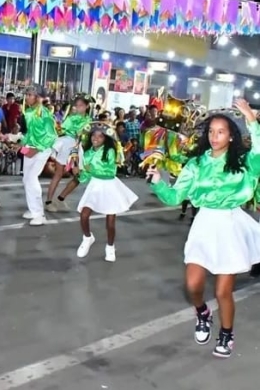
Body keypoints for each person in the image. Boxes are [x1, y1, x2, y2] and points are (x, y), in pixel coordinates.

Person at [147, 99, 260, 359]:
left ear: (231, 136)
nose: (214, 136)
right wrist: (158, 182)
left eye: (221, 132)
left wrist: (251, 120)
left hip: (230, 226)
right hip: (204, 225)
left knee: (222, 291)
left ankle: (227, 333)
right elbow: (175, 197)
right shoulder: (196, 164)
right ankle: (202, 313)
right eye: (211, 131)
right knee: (193, 285)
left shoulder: (245, 163)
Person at [74, 123, 138, 262]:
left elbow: (110, 172)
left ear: (105, 139)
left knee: (110, 223)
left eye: (100, 136)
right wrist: (79, 173)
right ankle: (87, 238)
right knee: (84, 215)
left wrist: (89, 169)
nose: (96, 138)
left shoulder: (110, 151)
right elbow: (85, 176)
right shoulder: (87, 152)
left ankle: (110, 246)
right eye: (94, 135)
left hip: (109, 186)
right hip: (95, 185)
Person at [46, 95, 91, 213]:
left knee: (80, 176)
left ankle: (60, 198)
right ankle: (49, 202)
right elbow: (63, 130)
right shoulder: (71, 118)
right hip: (67, 144)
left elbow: (85, 138)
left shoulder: (88, 119)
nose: (78, 107)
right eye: (77, 105)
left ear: (87, 106)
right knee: (58, 173)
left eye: (81, 105)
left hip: (77, 146)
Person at [21, 86, 58, 226]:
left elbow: (51, 136)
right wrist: (21, 144)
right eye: (27, 94)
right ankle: (33, 210)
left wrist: (37, 149)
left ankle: (39, 214)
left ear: (38, 97)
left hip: (43, 149)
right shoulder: (28, 112)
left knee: (31, 178)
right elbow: (29, 133)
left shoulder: (45, 113)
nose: (27, 97)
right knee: (26, 179)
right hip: (30, 147)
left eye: (30, 94)